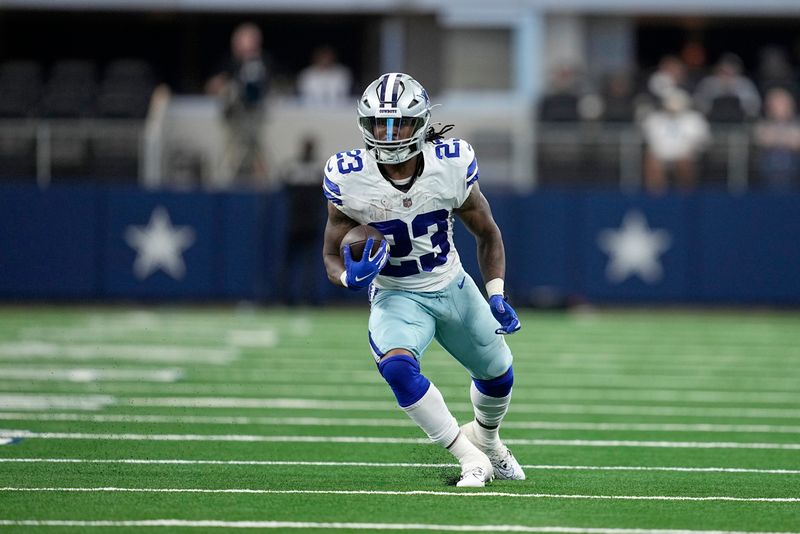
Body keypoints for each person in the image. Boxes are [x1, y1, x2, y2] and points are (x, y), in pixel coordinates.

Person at [321, 73, 524, 488]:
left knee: (499, 375)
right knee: (396, 367)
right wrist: (348, 277)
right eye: (380, 123)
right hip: (397, 294)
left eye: (400, 124)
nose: (389, 134)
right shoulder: (349, 176)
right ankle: (470, 458)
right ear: (365, 124)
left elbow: (487, 232)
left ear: (422, 122)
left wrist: (497, 293)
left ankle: (487, 439)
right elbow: (329, 253)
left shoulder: (450, 164)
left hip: (449, 283)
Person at [205, 22, 270, 187]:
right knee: (232, 157)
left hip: (256, 119)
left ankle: (261, 186)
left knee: (257, 153)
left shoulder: (262, 62)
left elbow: (267, 87)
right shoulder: (230, 62)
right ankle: (225, 186)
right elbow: (212, 85)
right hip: (234, 121)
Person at [278, 136, 326, 304]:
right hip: (295, 223)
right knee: (292, 263)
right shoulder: (293, 167)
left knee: (310, 264)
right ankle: (286, 297)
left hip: (310, 223)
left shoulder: (318, 169)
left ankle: (310, 297)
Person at [641, 89, 711, 193]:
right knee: (651, 161)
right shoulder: (655, 118)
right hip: (660, 155)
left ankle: (685, 196)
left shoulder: (694, 119)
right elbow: (648, 140)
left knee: (684, 163)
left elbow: (704, 141)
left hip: (686, 155)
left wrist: (691, 151)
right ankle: (656, 198)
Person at [753, 87, 800, 190]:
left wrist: (776, 138)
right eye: (775, 104)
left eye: (782, 104)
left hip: (794, 166)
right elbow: (762, 140)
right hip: (768, 166)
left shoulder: (796, 123)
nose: (779, 107)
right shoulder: (763, 123)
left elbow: (797, 143)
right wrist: (787, 138)